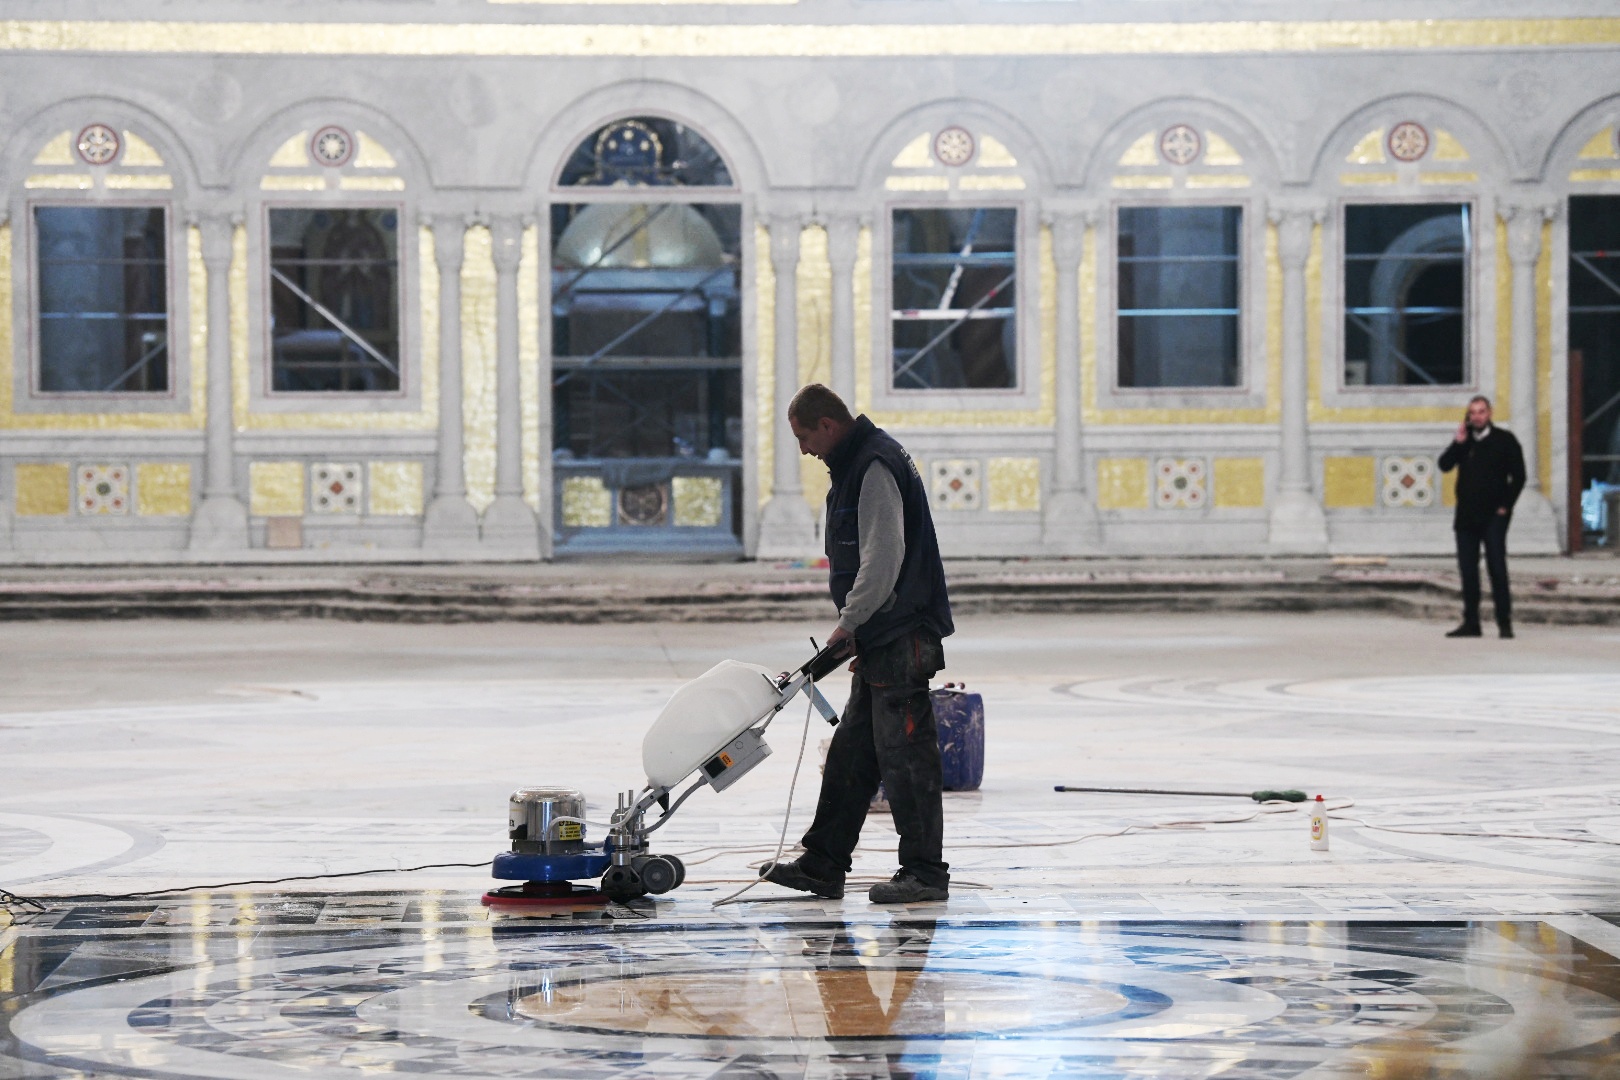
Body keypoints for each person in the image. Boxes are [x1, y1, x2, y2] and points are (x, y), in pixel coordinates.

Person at [760, 383, 955, 904]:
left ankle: (925, 873)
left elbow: (883, 559)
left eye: (804, 437)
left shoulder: (873, 466)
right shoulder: (855, 464)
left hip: (901, 633)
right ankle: (823, 863)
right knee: (851, 754)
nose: (804, 450)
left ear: (827, 425)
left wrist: (848, 625)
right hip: (881, 635)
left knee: (906, 758)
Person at [1438, 395, 1524, 639]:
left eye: (1481, 411)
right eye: (1473, 412)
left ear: (1489, 413)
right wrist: (1458, 443)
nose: (1477, 417)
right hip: (1466, 516)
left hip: (1494, 516)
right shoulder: (1465, 442)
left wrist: (1505, 506)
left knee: (1496, 567)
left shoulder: (1505, 440)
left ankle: (1504, 622)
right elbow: (1444, 465)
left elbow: (1519, 476)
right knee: (1468, 570)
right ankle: (1471, 623)